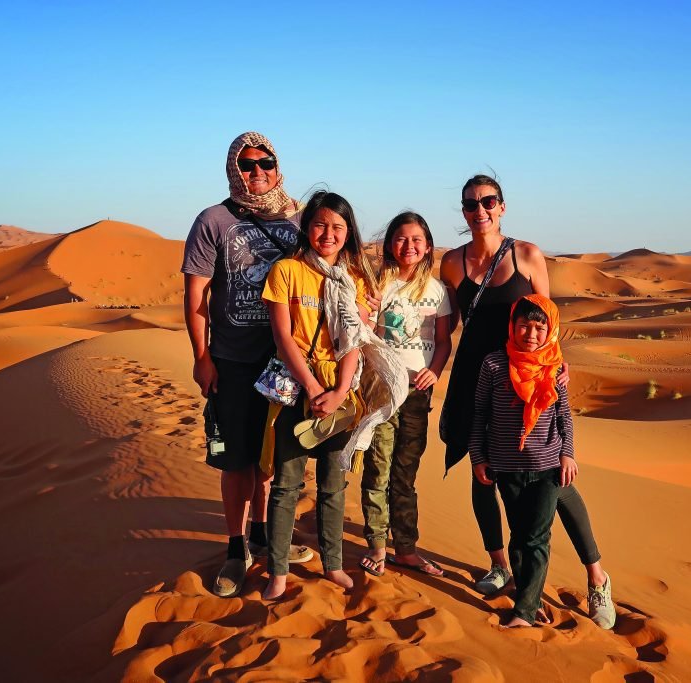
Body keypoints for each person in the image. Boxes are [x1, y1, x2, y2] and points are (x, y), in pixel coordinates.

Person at [440, 175, 616, 629]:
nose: (479, 210)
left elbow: (547, 322)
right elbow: (445, 323)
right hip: (478, 379)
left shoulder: (527, 255)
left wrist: (558, 367)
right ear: (462, 212)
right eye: (470, 204)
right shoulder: (452, 263)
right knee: (482, 472)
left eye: (488, 201)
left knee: (555, 479)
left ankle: (597, 576)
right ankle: (501, 565)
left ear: (502, 206)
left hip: (529, 383)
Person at [181, 131, 313, 599]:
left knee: (272, 459)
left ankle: (264, 536)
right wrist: (201, 356)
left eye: (266, 162)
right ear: (234, 169)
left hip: (287, 362)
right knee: (236, 462)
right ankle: (236, 549)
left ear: (279, 167)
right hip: (233, 361)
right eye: (247, 164)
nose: (257, 172)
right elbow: (196, 293)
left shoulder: (300, 218)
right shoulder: (214, 220)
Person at [260, 190, 381, 600]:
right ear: (307, 227)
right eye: (320, 224)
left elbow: (355, 341)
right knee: (286, 484)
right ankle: (277, 571)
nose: (328, 234)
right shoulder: (286, 271)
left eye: (337, 227)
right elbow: (282, 336)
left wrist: (339, 390)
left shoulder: (357, 279)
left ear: (348, 233)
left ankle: (332, 564)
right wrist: (313, 388)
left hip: (341, 389)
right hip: (296, 386)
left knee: (333, 485)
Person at [471, 294, 585, 627]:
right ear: (512, 326)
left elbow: (564, 416)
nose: (531, 334)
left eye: (539, 327)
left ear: (550, 330)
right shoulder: (494, 364)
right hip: (505, 467)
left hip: (548, 467)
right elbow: (480, 414)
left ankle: (523, 611)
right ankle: (528, 596)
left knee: (536, 537)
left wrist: (567, 454)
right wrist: (478, 456)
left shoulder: (555, 369)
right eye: (524, 325)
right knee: (519, 536)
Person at [359, 212, 452, 578]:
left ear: (427, 246)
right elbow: (364, 332)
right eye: (401, 238)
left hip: (417, 393)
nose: (409, 246)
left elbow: (442, 341)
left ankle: (407, 548)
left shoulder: (437, 290)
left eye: (416, 240)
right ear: (390, 245)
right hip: (383, 389)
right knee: (378, 467)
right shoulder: (378, 284)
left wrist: (436, 370)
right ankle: (378, 546)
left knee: (405, 472)